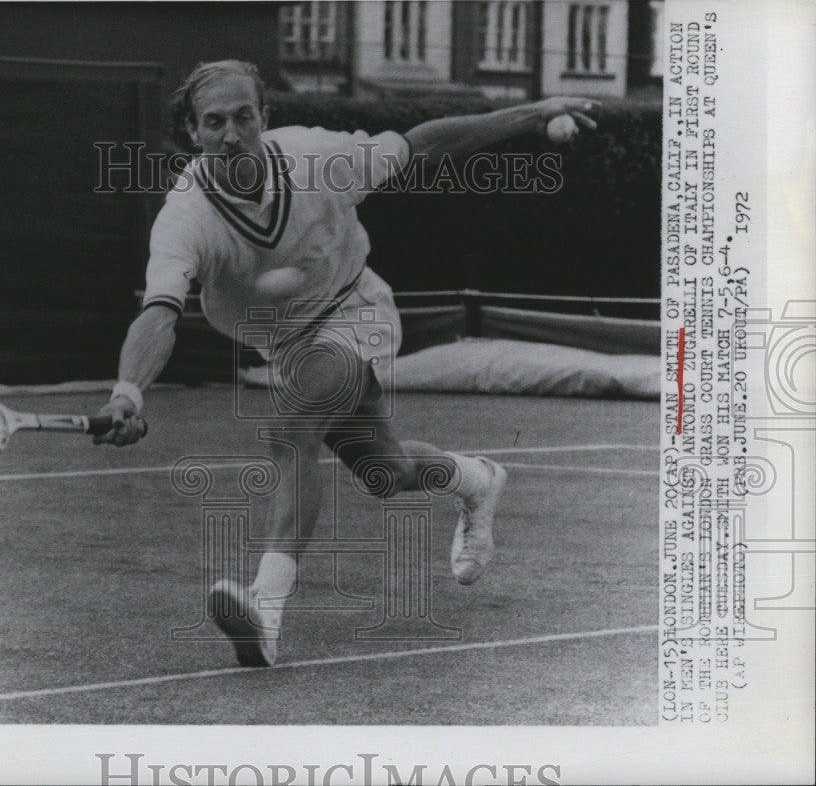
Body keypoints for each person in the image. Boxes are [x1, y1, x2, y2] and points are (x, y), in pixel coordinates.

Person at [95, 60, 598, 667]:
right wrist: (128, 391)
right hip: (288, 346)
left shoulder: (317, 157)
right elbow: (159, 314)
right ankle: (476, 478)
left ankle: (267, 609)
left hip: (355, 307)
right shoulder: (184, 216)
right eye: (215, 121)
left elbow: (424, 144)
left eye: (244, 116)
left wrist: (531, 112)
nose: (232, 133)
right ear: (193, 133)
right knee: (384, 472)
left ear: (265, 118)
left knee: (293, 427)